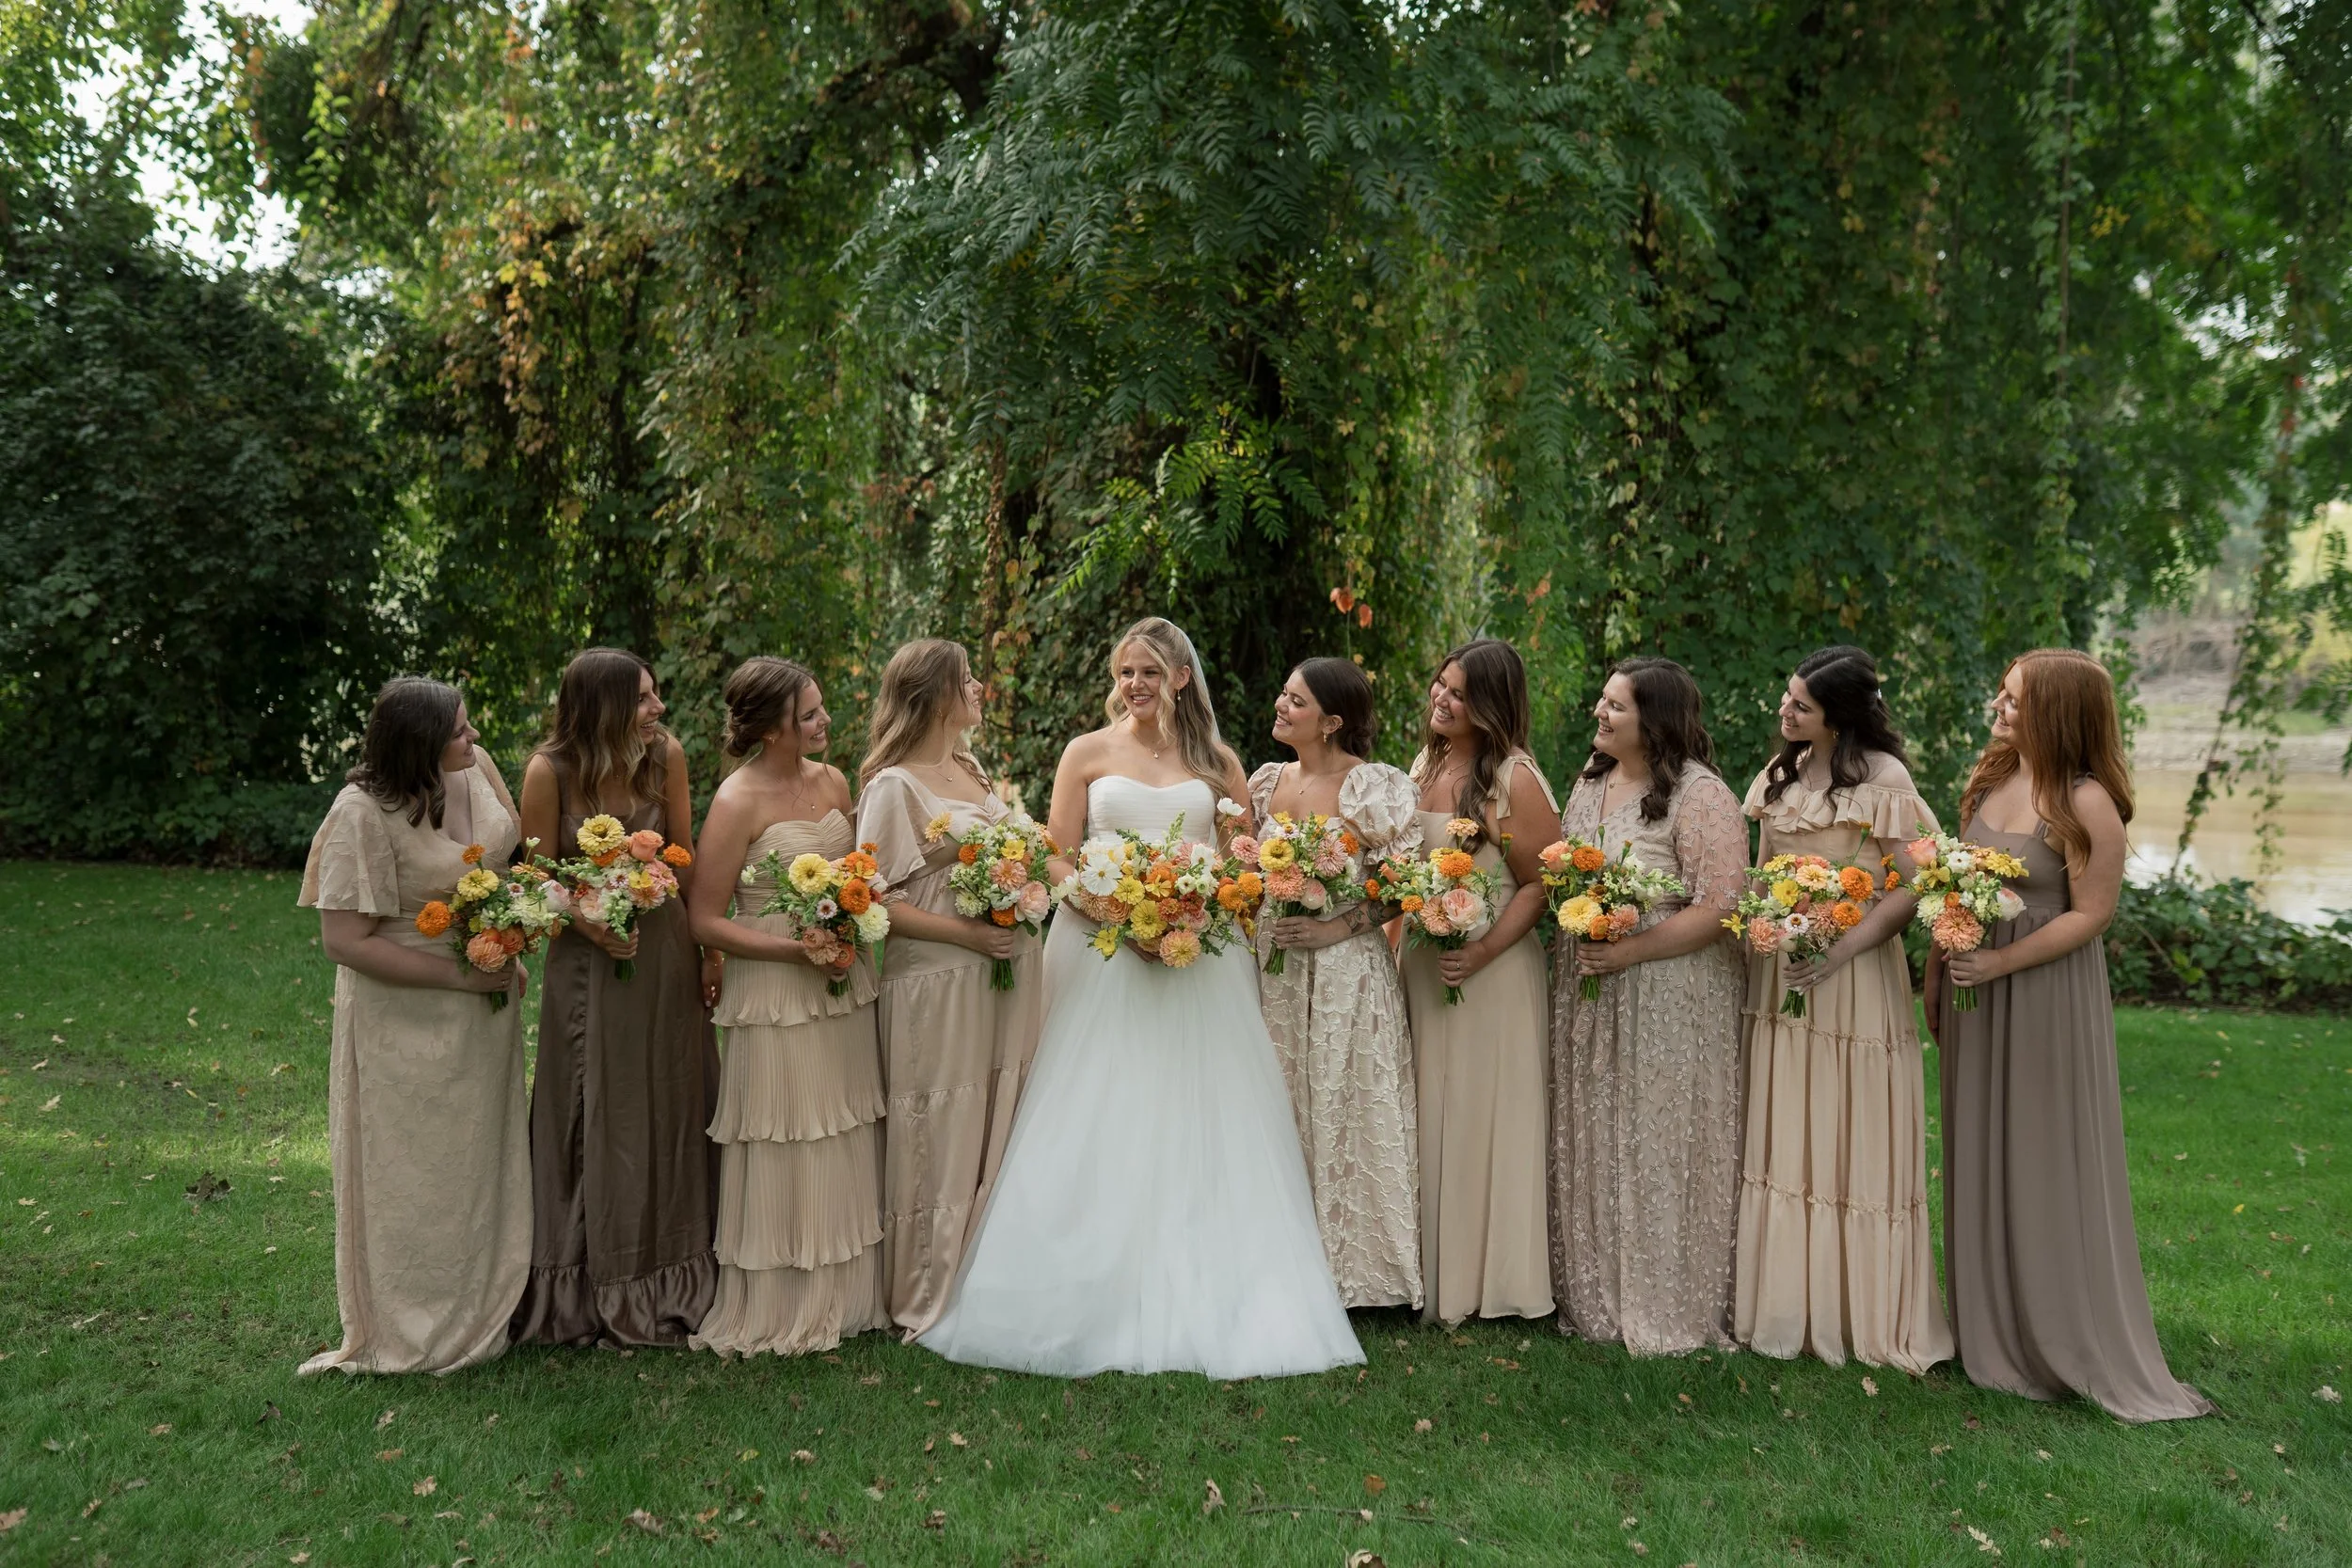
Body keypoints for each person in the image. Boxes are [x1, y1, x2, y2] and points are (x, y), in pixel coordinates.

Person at [918, 617, 1363, 1378]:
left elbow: (1243, 862)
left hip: (1201, 960)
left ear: (1181, 677)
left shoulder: (1216, 760)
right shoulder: (1086, 753)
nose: (1135, 686)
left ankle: (1221, 1289)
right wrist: (1114, 911)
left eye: (1150, 672)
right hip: (1102, 952)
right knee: (1097, 1108)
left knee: (1202, 1113)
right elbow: (1056, 855)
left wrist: (1194, 910)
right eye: (1126, 672)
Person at [1931, 648, 2213, 1420]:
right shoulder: (1994, 778)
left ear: (2057, 710)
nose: (1999, 706)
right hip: (1976, 990)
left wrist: (2001, 962)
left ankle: (2061, 1333)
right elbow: (1959, 877)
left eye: (2016, 699)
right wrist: (1943, 964)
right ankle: (1991, 1326)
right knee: (1979, 1147)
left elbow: (2092, 916)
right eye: (2002, 694)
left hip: (2043, 996)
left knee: (2042, 1154)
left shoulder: (2087, 803)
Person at [296, 676, 532, 1374]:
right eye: (461, 731)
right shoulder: (361, 813)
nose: (475, 739)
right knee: (415, 1168)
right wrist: (463, 974)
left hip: (487, 1005)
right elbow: (345, 941)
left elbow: (507, 862)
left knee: (477, 1158)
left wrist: (510, 932)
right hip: (405, 1012)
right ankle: (412, 1323)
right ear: (417, 743)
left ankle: (489, 1303)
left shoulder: (476, 771)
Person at [1733, 645, 1953, 1372]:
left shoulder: (1885, 780)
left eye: (1801, 705)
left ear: (1839, 718)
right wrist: (1770, 923)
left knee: (1838, 1125)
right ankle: (1784, 1305)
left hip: (1851, 979)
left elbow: (1911, 884)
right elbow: (1761, 872)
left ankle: (1854, 1311)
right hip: (1779, 977)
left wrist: (1841, 944)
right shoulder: (1780, 773)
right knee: (1784, 1128)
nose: (1785, 712)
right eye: (1786, 699)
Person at [512, 648, 720, 1347]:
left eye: (656, 696)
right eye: (643, 699)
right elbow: (533, 874)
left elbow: (685, 857)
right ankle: (582, 1278)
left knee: (666, 1097)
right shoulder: (551, 772)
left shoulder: (667, 758)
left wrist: (709, 953)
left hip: (660, 953)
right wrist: (585, 918)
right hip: (588, 964)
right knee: (590, 1101)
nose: (658, 710)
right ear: (601, 706)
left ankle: (672, 1271)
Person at [688, 657, 890, 1356]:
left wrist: (851, 919)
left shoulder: (834, 781)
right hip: (775, 992)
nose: (824, 722)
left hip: (841, 980)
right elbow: (704, 919)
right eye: (809, 714)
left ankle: (852, 1295)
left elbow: (858, 870)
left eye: (821, 709)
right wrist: (793, 951)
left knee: (842, 1123)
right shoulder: (736, 800)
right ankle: (785, 1299)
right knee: (788, 1129)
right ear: (773, 727)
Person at [1550, 657, 1746, 1355]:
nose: (1599, 716)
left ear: (1654, 721)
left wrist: (1630, 949)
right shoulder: (1589, 783)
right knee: (1595, 1126)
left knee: (1657, 1135)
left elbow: (1722, 905)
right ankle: (1593, 1292)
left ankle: (1667, 1300)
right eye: (1601, 703)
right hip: (1590, 986)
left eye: (1616, 708)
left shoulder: (1701, 795)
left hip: (1670, 990)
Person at [854, 640, 1044, 1337]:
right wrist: (969, 935)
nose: (979, 686)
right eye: (967, 678)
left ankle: (987, 1275)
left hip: (1006, 970)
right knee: (942, 1122)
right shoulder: (893, 786)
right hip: (938, 980)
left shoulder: (970, 767)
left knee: (999, 1112)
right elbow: (873, 904)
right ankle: (927, 1284)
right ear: (935, 695)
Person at [1249, 657, 1422, 1311]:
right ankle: (1283, 1261)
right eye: (1284, 693)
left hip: (1347, 968)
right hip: (1277, 970)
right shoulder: (1267, 783)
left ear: (1332, 721)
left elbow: (1402, 883)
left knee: (1348, 1100)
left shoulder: (1371, 787)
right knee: (1281, 1098)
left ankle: (1364, 1276)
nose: (1281, 704)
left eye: (1295, 700)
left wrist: (1337, 927)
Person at [1403, 639, 1556, 1324]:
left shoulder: (1515, 778)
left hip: (1488, 970)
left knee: (1477, 1116)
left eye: (1460, 693)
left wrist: (1484, 948)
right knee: (1426, 1110)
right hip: (1423, 963)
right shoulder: (1424, 764)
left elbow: (1541, 884)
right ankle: (1425, 1272)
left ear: (1490, 704)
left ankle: (1487, 1281)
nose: (1443, 698)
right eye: (1441, 684)